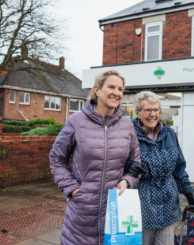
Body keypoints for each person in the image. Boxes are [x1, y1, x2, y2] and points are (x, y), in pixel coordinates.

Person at [49, 70, 143, 245]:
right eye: (111, 87)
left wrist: (127, 181)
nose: (117, 92)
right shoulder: (75, 121)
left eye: (120, 89)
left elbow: (136, 162)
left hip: (116, 215)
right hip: (81, 216)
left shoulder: (127, 126)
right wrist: (74, 190)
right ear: (97, 90)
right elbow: (56, 159)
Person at [131, 91, 194, 245]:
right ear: (137, 112)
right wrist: (128, 165)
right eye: (148, 110)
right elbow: (115, 163)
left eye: (156, 110)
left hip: (167, 204)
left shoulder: (169, 133)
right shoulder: (128, 133)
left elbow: (179, 167)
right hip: (141, 206)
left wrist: (189, 192)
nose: (153, 114)